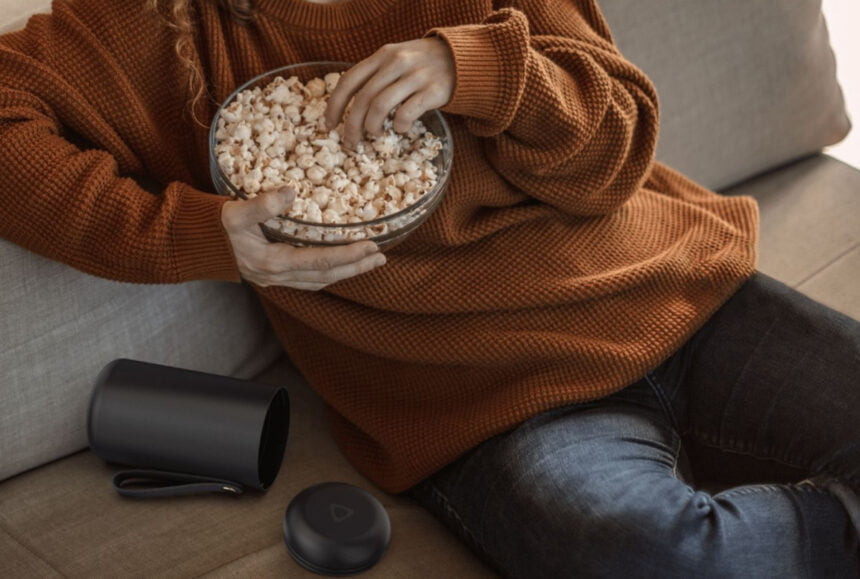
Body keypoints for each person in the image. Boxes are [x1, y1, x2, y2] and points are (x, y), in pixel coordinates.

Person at [0, 0, 857, 576]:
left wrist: (482, 72)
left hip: (675, 292)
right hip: (481, 404)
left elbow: (616, 143)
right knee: (656, 553)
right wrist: (192, 236)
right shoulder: (157, 31)